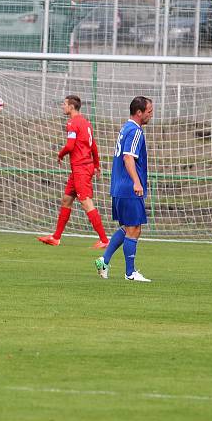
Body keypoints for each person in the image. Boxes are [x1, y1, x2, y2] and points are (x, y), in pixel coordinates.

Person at [95, 96, 154, 282]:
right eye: (149, 111)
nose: (151, 115)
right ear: (139, 112)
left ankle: (104, 261)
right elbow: (128, 158)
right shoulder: (135, 131)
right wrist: (137, 182)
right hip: (129, 187)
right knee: (134, 228)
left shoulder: (125, 128)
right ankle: (130, 273)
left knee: (128, 227)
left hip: (119, 186)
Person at [38, 95, 109, 248]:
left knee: (86, 203)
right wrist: (96, 164)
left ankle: (104, 239)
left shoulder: (72, 123)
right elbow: (93, 145)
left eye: (64, 104)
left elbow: (70, 146)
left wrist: (60, 154)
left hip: (81, 168)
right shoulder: (86, 123)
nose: (62, 106)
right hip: (80, 168)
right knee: (66, 200)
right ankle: (56, 237)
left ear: (71, 107)